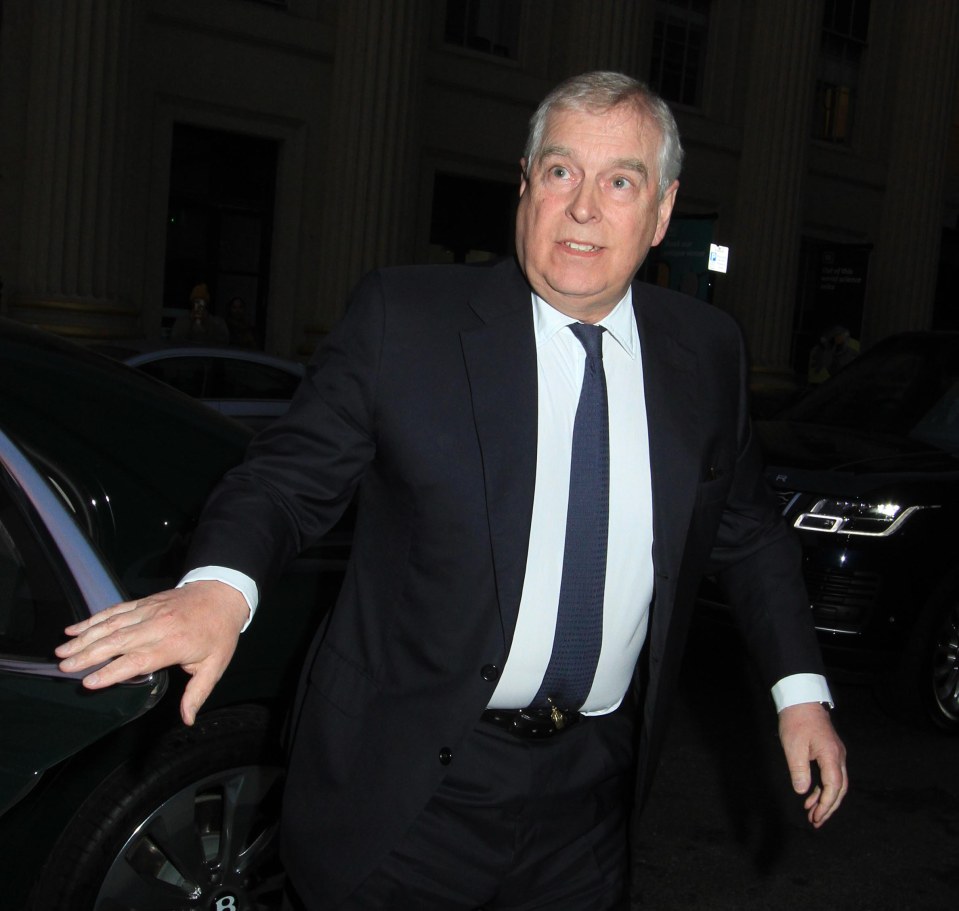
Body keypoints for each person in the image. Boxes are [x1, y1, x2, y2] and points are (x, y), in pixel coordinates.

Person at [56, 72, 847, 910]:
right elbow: (287, 478)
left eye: (620, 181)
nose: (582, 207)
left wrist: (799, 693)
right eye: (559, 172)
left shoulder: (706, 350)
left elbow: (749, 532)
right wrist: (219, 588)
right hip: (409, 789)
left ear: (661, 212)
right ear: (525, 186)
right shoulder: (407, 320)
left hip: (589, 793)